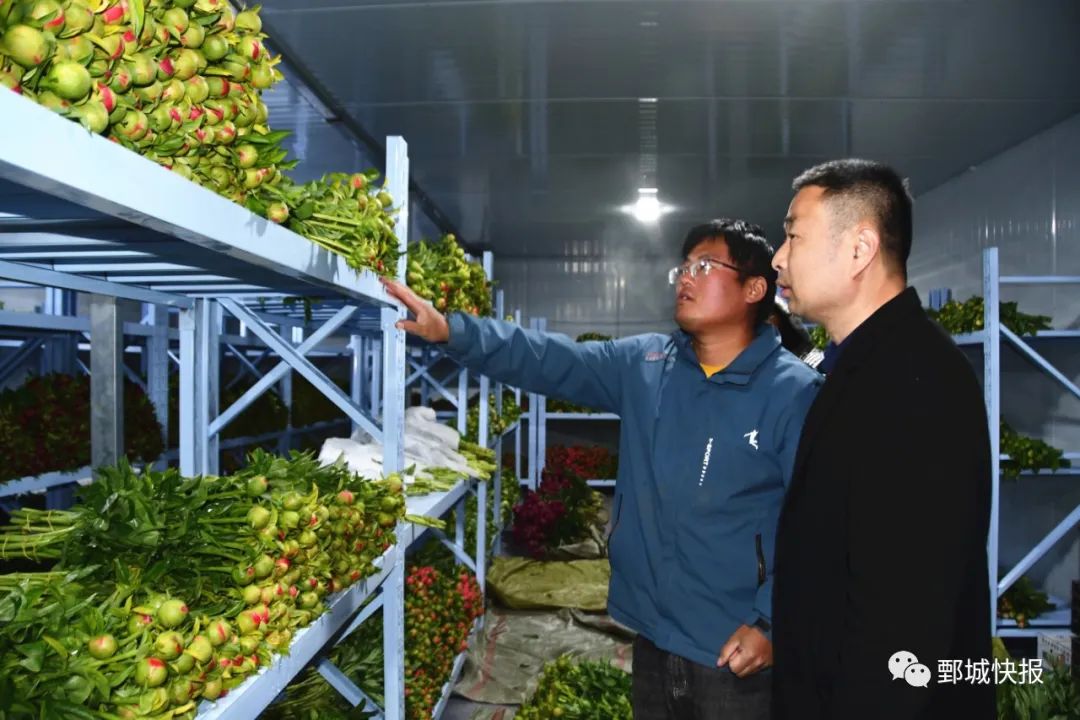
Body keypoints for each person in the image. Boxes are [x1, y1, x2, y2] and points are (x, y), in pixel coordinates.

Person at [382, 219, 821, 719]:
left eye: (704, 266)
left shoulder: (792, 393)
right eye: (683, 267)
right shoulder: (647, 363)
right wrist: (451, 331)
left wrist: (771, 624)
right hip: (652, 634)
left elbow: (815, 526)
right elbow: (548, 358)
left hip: (734, 652)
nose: (685, 278)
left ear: (754, 288)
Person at [770, 159, 994, 719]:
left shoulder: (916, 381)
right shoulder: (860, 365)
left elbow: (902, 622)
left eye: (793, 234)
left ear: (859, 248)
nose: (778, 257)